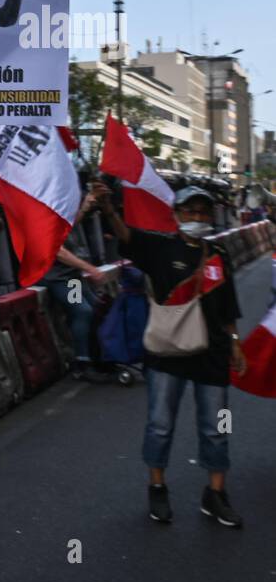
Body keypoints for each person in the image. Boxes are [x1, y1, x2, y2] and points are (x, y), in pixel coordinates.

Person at [94, 182, 245, 527]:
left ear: (211, 216)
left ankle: (215, 495)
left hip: (213, 355)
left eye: (202, 212)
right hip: (166, 355)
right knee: (160, 426)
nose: (196, 217)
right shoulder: (159, 247)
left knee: (216, 429)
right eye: (189, 211)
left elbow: (228, 307)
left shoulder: (219, 254)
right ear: (176, 215)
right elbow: (126, 235)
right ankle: (158, 487)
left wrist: (235, 342)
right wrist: (107, 207)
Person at [40, 189, 107, 377]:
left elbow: (68, 226)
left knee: (95, 306)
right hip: (60, 278)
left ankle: (97, 355)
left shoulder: (58, 213)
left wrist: (84, 208)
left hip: (71, 276)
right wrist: (89, 268)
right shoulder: (43, 215)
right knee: (82, 310)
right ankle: (82, 362)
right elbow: (59, 252)